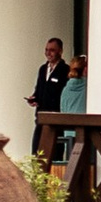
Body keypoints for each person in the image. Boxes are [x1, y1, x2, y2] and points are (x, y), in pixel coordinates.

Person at [29, 35, 69, 163]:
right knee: (37, 152)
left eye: (52, 50)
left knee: (55, 154)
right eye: (46, 50)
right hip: (41, 117)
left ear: (60, 51)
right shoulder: (42, 69)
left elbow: (63, 94)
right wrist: (34, 98)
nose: (48, 53)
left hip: (56, 119)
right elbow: (39, 89)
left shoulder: (65, 70)